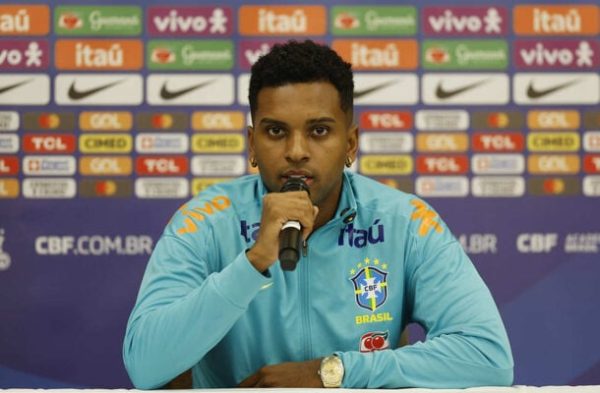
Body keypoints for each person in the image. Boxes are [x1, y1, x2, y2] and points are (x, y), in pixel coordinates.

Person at [123, 40, 513, 389]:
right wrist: (253, 263)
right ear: (252, 144)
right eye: (275, 132)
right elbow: (145, 365)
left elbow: (487, 357)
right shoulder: (205, 222)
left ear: (351, 143)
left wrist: (333, 373)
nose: (296, 151)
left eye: (319, 131)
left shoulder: (405, 222)